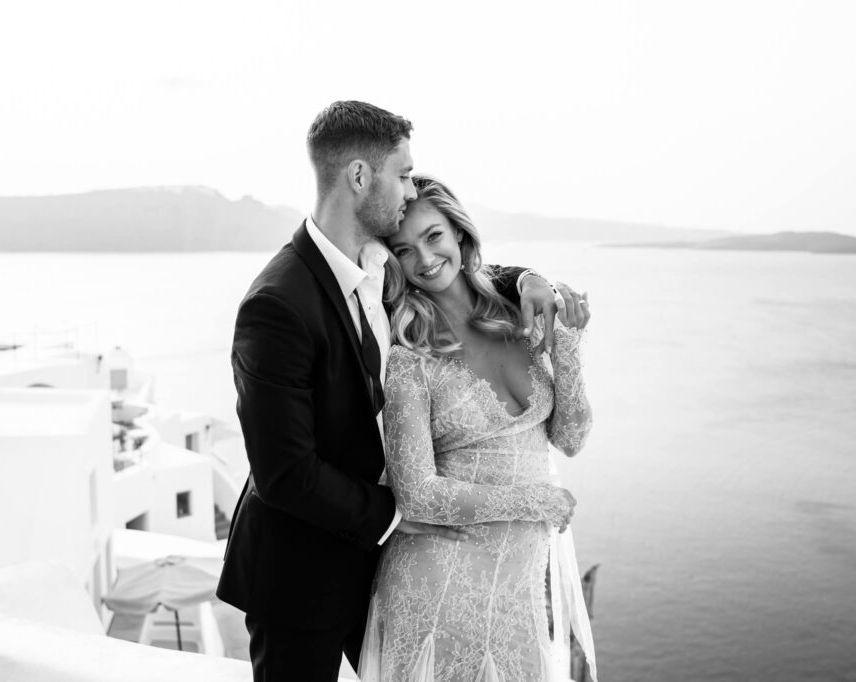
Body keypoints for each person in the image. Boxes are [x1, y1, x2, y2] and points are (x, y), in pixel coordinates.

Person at [215, 101, 572, 682]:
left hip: (380, 565)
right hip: (300, 575)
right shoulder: (278, 304)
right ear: (360, 177)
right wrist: (401, 510)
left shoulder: (379, 264)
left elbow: (457, 270)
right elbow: (284, 472)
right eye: (402, 174)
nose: (410, 189)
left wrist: (534, 280)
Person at [357, 174, 598, 681]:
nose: (424, 259)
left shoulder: (517, 315)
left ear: (460, 235)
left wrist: (569, 347)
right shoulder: (409, 357)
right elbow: (417, 495)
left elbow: (570, 439)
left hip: (519, 579)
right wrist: (534, 501)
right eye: (403, 250)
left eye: (434, 236)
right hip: (439, 580)